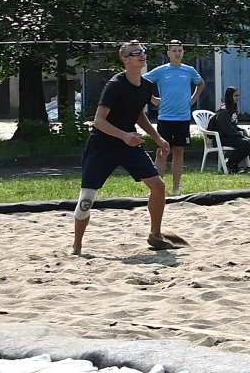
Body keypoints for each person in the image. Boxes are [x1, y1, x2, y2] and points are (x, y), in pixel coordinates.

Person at [73, 40, 186, 254]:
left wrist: (158, 138)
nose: (142, 55)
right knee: (87, 198)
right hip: (102, 146)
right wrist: (124, 135)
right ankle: (77, 246)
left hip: (129, 145)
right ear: (125, 59)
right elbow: (99, 121)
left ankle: (155, 235)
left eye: (143, 51)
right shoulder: (115, 85)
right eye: (136, 52)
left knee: (159, 186)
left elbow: (138, 114)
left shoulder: (145, 86)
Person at [143, 40, 203, 195]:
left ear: (183, 53)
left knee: (179, 151)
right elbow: (142, 82)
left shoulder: (189, 70)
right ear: (168, 53)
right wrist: (153, 99)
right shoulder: (161, 71)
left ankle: (176, 188)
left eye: (180, 50)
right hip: (165, 117)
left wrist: (193, 98)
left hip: (183, 117)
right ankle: (158, 188)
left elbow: (200, 83)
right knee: (162, 151)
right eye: (174, 51)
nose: (177, 53)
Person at [207, 88, 250, 172]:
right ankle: (229, 164)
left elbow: (233, 126)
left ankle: (233, 163)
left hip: (231, 137)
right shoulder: (223, 112)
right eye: (235, 96)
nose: (237, 98)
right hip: (221, 138)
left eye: (238, 95)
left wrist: (242, 130)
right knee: (245, 143)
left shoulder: (232, 110)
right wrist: (240, 133)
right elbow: (228, 130)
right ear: (229, 97)